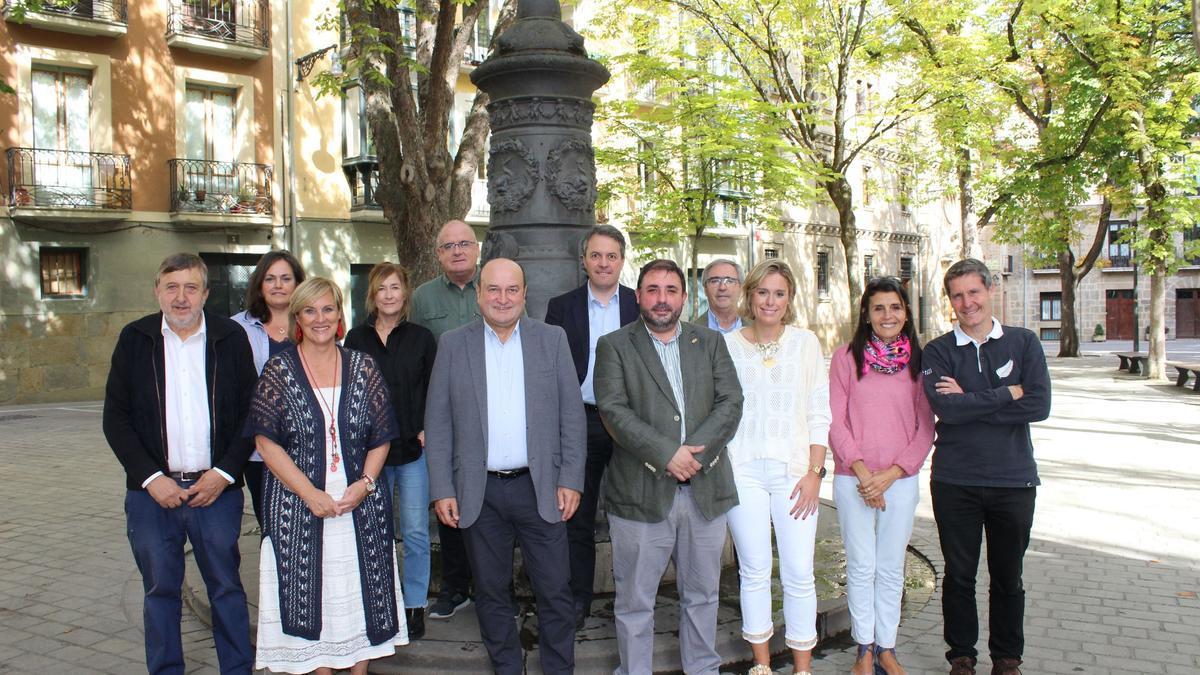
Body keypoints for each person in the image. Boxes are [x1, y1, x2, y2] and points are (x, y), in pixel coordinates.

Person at [425, 258, 586, 675]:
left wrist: (571, 478)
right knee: (492, 593)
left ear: (524, 293)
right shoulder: (453, 345)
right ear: (478, 294)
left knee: (555, 591)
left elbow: (572, 415)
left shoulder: (552, 340)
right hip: (480, 493)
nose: (502, 298)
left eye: (511, 289)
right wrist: (442, 487)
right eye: (493, 289)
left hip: (542, 489)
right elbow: (438, 423)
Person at [102, 252, 256, 674]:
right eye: (172, 287)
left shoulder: (229, 338)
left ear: (205, 293)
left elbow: (250, 412)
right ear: (157, 291)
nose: (181, 297)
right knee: (160, 592)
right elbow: (116, 418)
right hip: (153, 496)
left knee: (225, 589)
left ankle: (237, 669)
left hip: (216, 493)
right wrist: (151, 479)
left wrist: (223, 474)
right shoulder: (135, 339)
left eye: (191, 287)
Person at [248, 277, 407, 674]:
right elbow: (267, 443)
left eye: (328, 309)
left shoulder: (362, 365)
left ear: (340, 313)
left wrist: (366, 484)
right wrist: (310, 494)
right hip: (299, 507)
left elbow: (381, 435)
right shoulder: (279, 370)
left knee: (359, 595)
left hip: (359, 504)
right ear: (298, 317)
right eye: (310, 310)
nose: (320, 318)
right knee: (312, 596)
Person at [594, 258, 744, 675]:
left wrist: (694, 456)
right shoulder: (614, 345)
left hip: (705, 492)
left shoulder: (710, 342)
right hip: (641, 495)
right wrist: (666, 454)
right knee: (634, 603)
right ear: (638, 295)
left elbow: (731, 402)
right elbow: (614, 411)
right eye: (653, 290)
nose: (662, 299)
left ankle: (702, 669)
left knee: (702, 596)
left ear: (683, 296)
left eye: (671, 290)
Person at [922, 259, 1051, 675]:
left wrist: (971, 399)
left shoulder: (1024, 342)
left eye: (973, 292)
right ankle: (961, 656)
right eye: (957, 295)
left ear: (989, 290)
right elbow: (946, 409)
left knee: (1008, 577)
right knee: (958, 576)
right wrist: (1006, 393)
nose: (967, 302)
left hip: (1013, 481)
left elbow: (1039, 404)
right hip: (954, 481)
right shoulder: (938, 351)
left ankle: (1007, 659)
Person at [722, 260, 829, 675]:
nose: (770, 301)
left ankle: (803, 668)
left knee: (799, 571)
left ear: (789, 300)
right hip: (742, 471)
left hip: (795, 472)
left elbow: (820, 412)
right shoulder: (728, 345)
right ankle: (762, 666)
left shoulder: (806, 344)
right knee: (753, 570)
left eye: (779, 293)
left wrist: (814, 474)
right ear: (750, 295)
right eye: (763, 292)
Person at [829, 276, 935, 675]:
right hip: (852, 477)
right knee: (860, 565)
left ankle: (887, 648)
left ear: (906, 313)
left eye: (895, 307)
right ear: (866, 314)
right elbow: (835, 420)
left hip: (900, 480)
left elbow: (926, 427)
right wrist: (862, 472)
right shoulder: (844, 358)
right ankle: (864, 649)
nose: (887, 315)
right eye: (879, 308)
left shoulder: (921, 361)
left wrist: (889, 475)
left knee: (891, 566)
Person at [543, 224, 639, 630]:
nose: (603, 263)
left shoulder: (639, 304)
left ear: (621, 261)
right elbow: (550, 372)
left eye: (611, 256)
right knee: (577, 517)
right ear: (584, 260)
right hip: (579, 421)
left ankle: (635, 601)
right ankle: (578, 599)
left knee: (634, 513)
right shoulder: (560, 307)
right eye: (596, 255)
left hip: (630, 426)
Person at [343, 262, 437, 640]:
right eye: (381, 288)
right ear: (372, 295)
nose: (388, 295)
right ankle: (381, 602)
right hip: (371, 455)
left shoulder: (422, 338)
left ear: (405, 293)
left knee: (415, 532)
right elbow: (349, 391)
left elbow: (434, 388)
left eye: (395, 287)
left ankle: (414, 605)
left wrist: (430, 426)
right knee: (375, 531)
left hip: (413, 452)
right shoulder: (356, 339)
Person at [410, 218, 481, 620]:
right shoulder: (421, 299)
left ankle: (491, 588)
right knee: (449, 503)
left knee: (489, 505)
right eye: (447, 246)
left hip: (490, 416)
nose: (456, 251)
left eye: (464, 243)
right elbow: (417, 364)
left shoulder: (493, 290)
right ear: (438, 254)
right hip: (446, 418)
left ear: (476, 249)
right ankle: (455, 589)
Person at [231, 249, 306, 526]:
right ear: (259, 285)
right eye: (270, 279)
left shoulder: (314, 323)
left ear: (298, 284)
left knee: (305, 522)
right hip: (258, 449)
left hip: (305, 444)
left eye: (286, 278)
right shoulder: (237, 328)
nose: (278, 285)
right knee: (271, 525)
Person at [702, 258, 743, 333]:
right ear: (705, 289)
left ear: (741, 288)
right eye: (715, 281)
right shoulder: (689, 333)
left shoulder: (758, 327)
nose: (722, 287)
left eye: (729, 281)